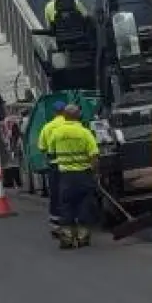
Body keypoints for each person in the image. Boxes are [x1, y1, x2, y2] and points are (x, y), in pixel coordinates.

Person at [42, 103, 101, 248]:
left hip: (65, 176)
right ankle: (83, 238)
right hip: (83, 175)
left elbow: (50, 152)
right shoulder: (84, 133)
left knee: (66, 207)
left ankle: (67, 239)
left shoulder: (57, 133)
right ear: (78, 116)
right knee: (84, 205)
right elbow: (94, 155)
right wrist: (94, 172)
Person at [35, 102, 68, 223]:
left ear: (54, 112)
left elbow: (42, 147)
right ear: (65, 111)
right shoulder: (73, 126)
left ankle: (56, 217)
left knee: (55, 192)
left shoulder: (47, 127)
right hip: (72, 166)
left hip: (55, 165)